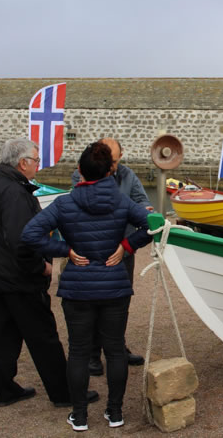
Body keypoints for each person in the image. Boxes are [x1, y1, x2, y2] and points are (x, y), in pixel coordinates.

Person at [22, 142, 153, 431]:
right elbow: (152, 225)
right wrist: (127, 245)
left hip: (78, 288)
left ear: (80, 170)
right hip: (114, 286)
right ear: (109, 171)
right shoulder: (121, 201)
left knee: (79, 351)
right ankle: (115, 413)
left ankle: (79, 415)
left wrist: (64, 249)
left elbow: (30, 234)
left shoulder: (65, 203)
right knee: (116, 350)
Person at [0, 138, 98, 408]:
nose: (38, 165)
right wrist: (40, 267)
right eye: (35, 160)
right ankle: (64, 393)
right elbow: (23, 240)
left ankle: (5, 389)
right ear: (23, 163)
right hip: (19, 277)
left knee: (4, 334)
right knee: (43, 335)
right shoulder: (14, 193)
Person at [71, 137, 152, 374]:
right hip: (93, 251)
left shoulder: (127, 175)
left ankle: (116, 346)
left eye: (115, 161)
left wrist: (140, 211)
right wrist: (130, 211)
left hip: (123, 250)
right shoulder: (83, 174)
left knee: (121, 302)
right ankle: (93, 354)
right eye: (110, 162)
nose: (113, 167)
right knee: (93, 304)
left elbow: (143, 201)